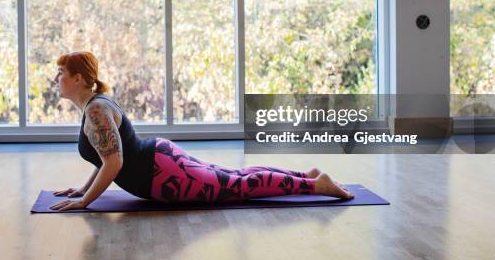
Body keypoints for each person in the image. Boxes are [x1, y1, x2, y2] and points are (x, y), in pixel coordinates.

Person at [49, 51, 354, 211]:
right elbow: (108, 157)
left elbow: (114, 163)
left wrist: (84, 202)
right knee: (236, 178)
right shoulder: (94, 108)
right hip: (161, 164)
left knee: (238, 187)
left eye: (61, 73)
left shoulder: (97, 111)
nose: (56, 78)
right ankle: (307, 176)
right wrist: (83, 189)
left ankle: (316, 186)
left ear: (78, 78)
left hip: (163, 174)